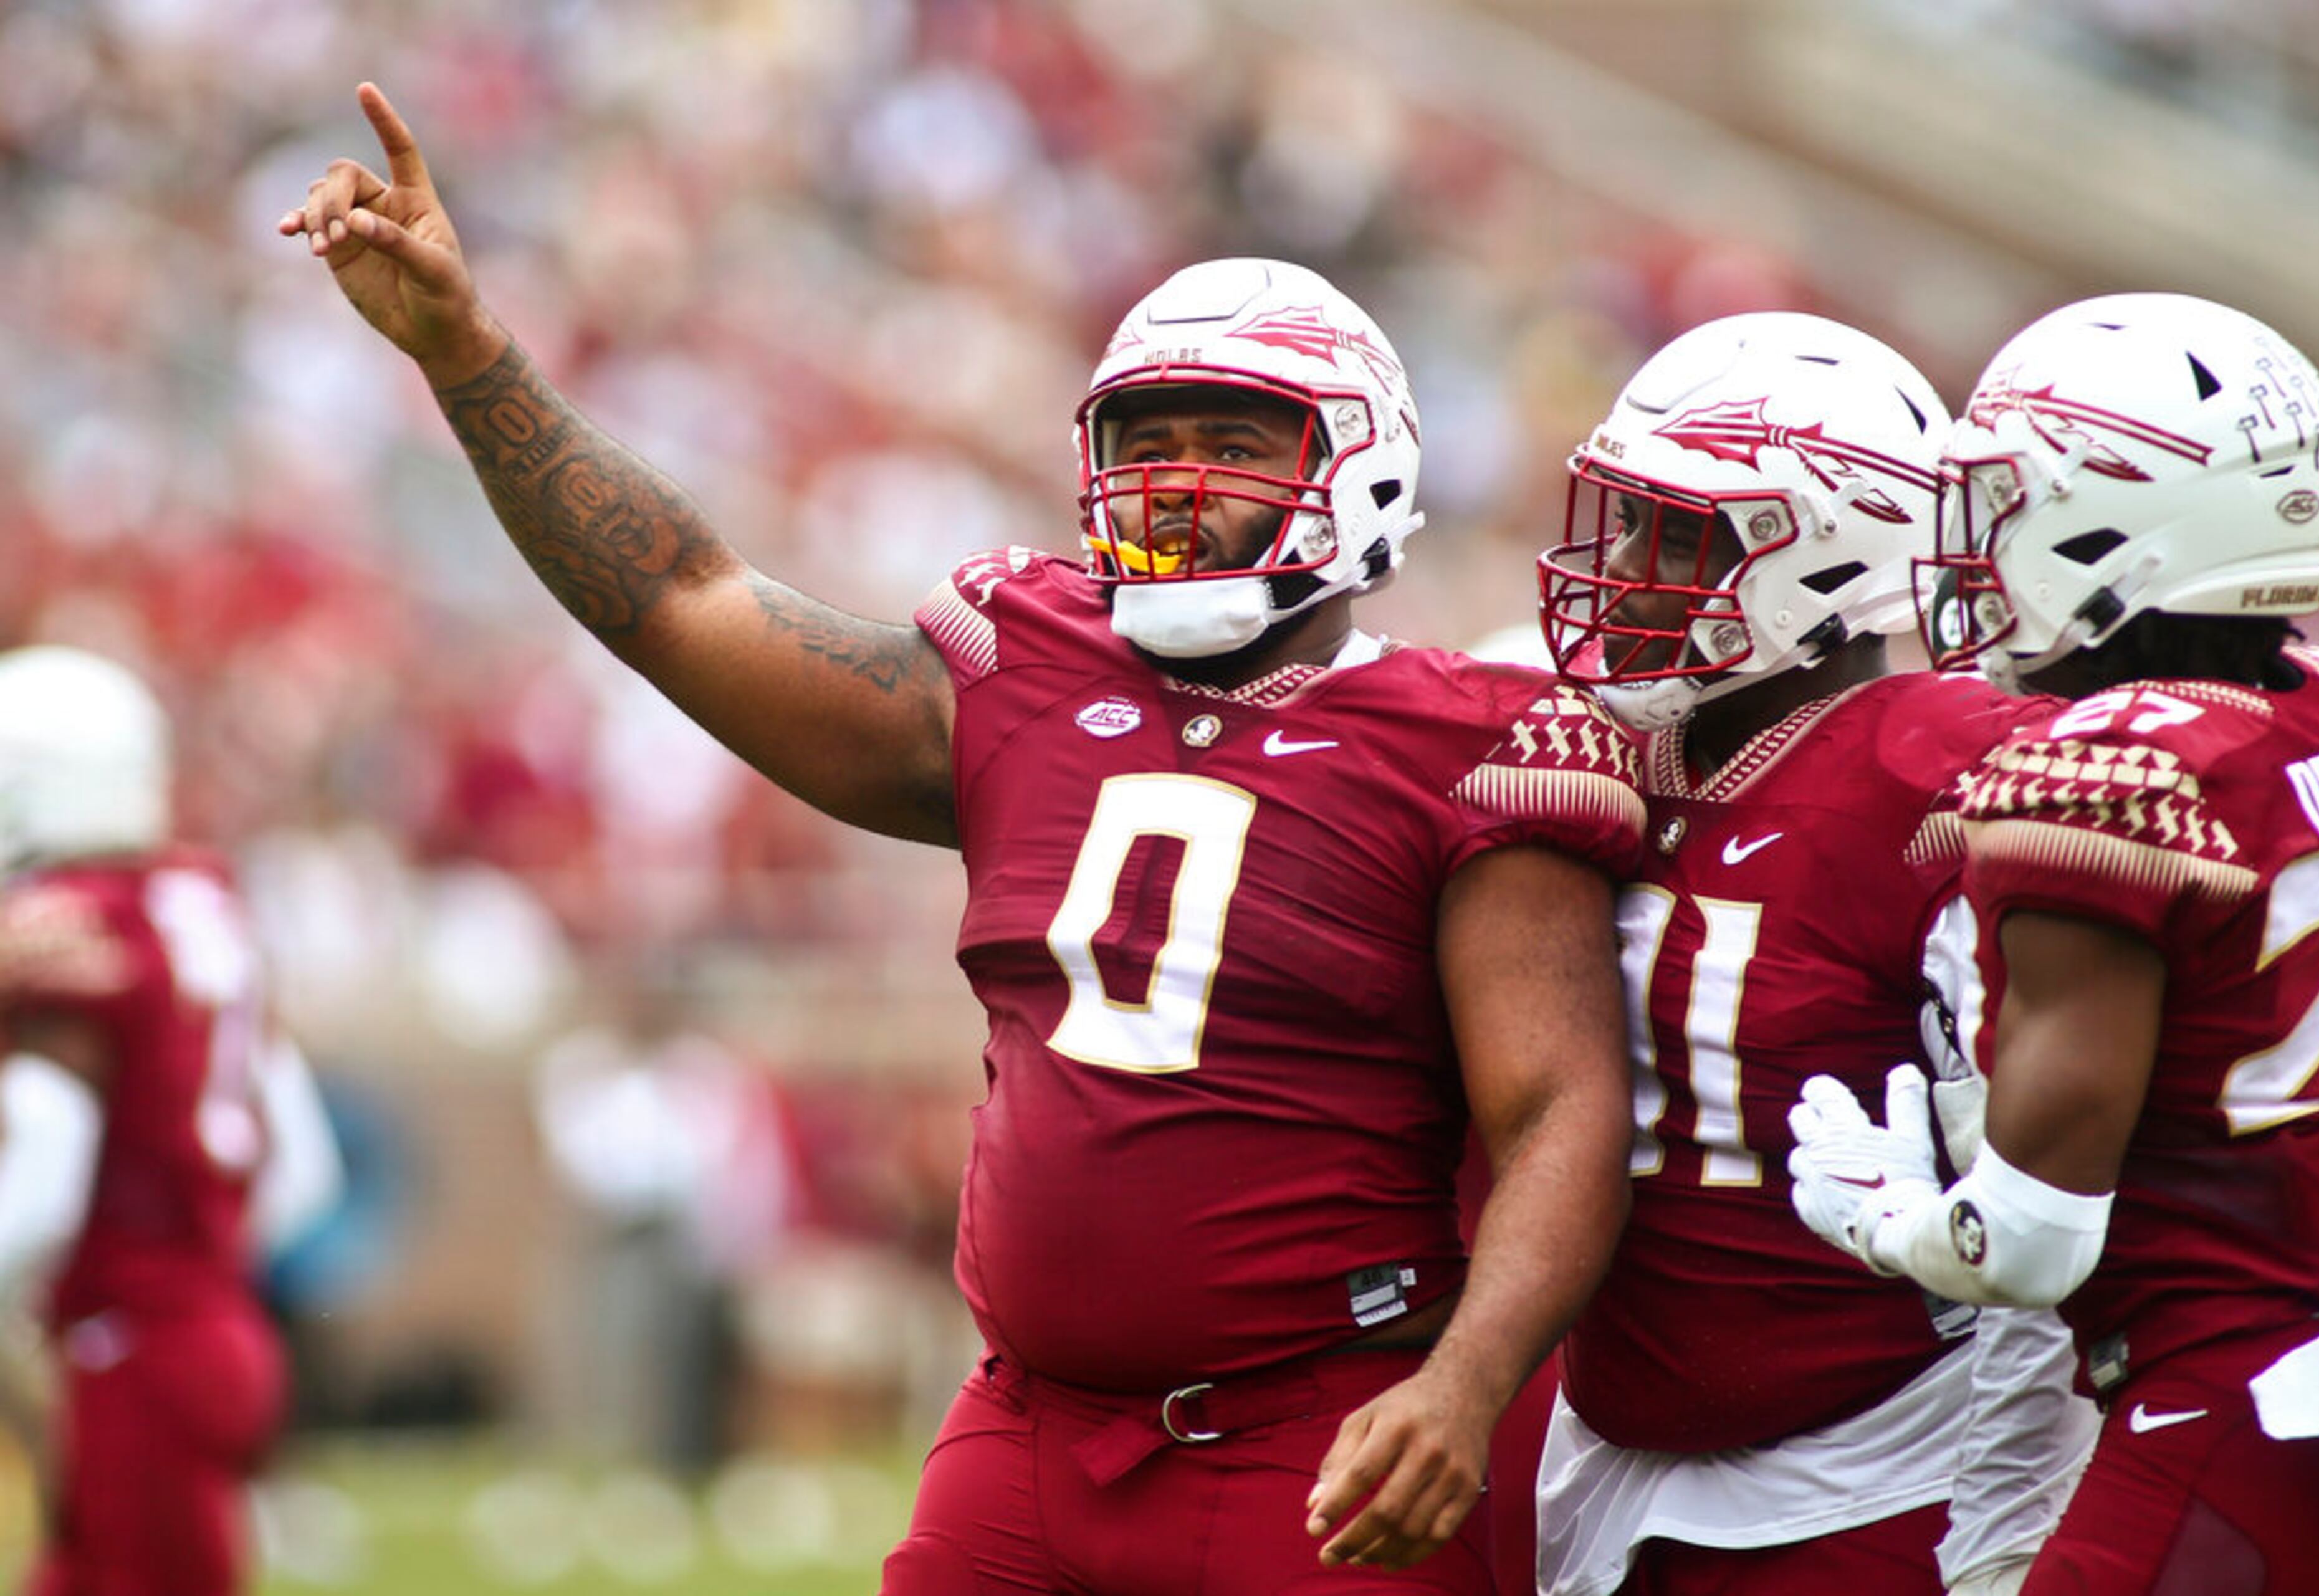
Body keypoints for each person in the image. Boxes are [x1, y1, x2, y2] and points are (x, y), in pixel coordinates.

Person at [285, 84, 1646, 1591]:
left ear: (1363, 466)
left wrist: (1464, 1384)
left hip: (1313, 1432)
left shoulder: (1466, 742)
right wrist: (471, 358)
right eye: (1150, 438)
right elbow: (683, 595)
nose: (1180, 482)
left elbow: (1560, 1118)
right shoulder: (1022, 670)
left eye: (1236, 442)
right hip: (1026, 1426)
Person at [1784, 291, 2319, 1593]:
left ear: (2126, 523)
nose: (1973, 549)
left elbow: (2025, 1241)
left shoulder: (2095, 774)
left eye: (2008, 505)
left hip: (2254, 1392)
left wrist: (1881, 1210)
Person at [1529, 312, 2097, 1596]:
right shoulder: (1611, 754)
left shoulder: (1943, 781)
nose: (1622, 563)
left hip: (1878, 1472)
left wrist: (2008, 1522)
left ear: (1831, 556)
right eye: (1625, 519)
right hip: (1606, 1449)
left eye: (1676, 532)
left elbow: (2043, 1201)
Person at [0, 644, 294, 1596]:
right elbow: (301, 1167)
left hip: (128, 1341)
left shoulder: (74, 925)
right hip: (221, 1327)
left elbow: (42, 1174)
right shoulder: (199, 901)